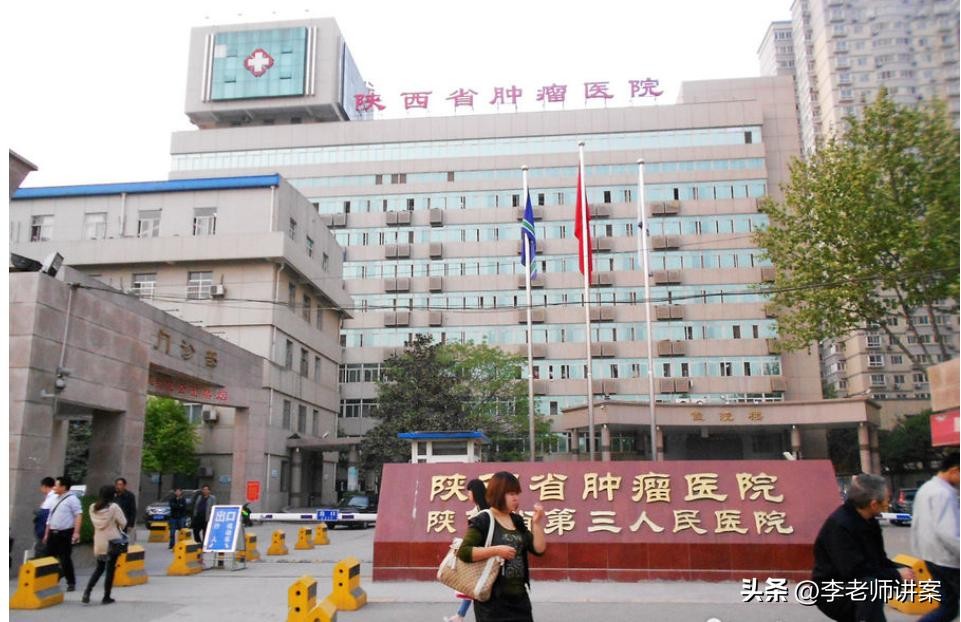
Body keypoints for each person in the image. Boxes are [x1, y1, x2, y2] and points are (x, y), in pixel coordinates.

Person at [812, 473, 914, 621]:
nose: (888, 503)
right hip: (833, 590)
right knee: (870, 586)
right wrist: (896, 575)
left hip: (860, 583)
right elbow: (855, 572)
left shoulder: (869, 521)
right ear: (873, 504)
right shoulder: (840, 526)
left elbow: (879, 560)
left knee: (875, 584)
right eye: (887, 499)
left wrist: (905, 571)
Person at [456, 471, 546, 622]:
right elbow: (464, 552)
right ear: (498, 494)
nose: (516, 498)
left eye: (517, 493)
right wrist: (496, 550)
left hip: (520, 600)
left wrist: (536, 523)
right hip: (492, 604)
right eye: (511, 493)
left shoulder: (516, 520)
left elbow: (538, 549)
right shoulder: (483, 520)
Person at [911, 452, 960, 622]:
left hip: (931, 558)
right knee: (948, 608)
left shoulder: (926, 489)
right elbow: (948, 533)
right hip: (947, 561)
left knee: (948, 607)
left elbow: (916, 524)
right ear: (954, 470)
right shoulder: (943, 494)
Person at [445, 478, 491, 622]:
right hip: (483, 552)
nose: (468, 495)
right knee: (474, 584)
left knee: (475, 585)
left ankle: (460, 616)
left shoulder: (483, 512)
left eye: (469, 492)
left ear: (475, 493)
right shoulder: (482, 509)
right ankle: (460, 615)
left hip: (484, 553)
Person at [82, 485, 127, 605]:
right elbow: (123, 522)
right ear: (113, 495)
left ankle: (87, 591)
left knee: (99, 568)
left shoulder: (92, 507)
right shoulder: (114, 507)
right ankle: (106, 596)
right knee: (110, 570)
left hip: (99, 542)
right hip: (112, 542)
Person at [42, 475, 83, 591]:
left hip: (65, 533)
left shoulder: (72, 499)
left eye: (56, 485)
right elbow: (50, 518)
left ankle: (71, 582)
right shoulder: (55, 499)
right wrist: (46, 533)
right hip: (53, 532)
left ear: (64, 487)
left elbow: (78, 515)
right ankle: (48, 581)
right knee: (48, 558)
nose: (54, 487)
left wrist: (76, 532)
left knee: (65, 558)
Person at [34, 476, 57, 557]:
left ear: (44, 486)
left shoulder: (52, 497)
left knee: (41, 553)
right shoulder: (52, 496)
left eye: (41, 487)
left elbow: (47, 517)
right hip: (46, 531)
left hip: (44, 531)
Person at [113, 477, 137, 542]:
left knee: (122, 542)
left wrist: (131, 524)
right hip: (113, 523)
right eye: (117, 484)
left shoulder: (130, 496)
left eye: (120, 484)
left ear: (124, 486)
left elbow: (133, 510)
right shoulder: (113, 495)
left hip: (124, 522)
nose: (118, 486)